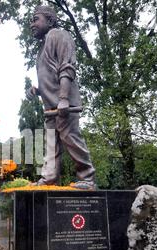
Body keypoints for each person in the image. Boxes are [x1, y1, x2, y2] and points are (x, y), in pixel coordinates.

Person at [27, 5, 96, 190]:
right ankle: (49, 178)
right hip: (51, 108)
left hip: (64, 105)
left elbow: (67, 68)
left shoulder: (58, 35)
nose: (32, 24)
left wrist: (64, 98)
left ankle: (87, 178)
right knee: (51, 144)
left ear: (49, 21)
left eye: (35, 19)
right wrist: (38, 91)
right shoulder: (42, 47)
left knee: (70, 138)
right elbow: (51, 77)